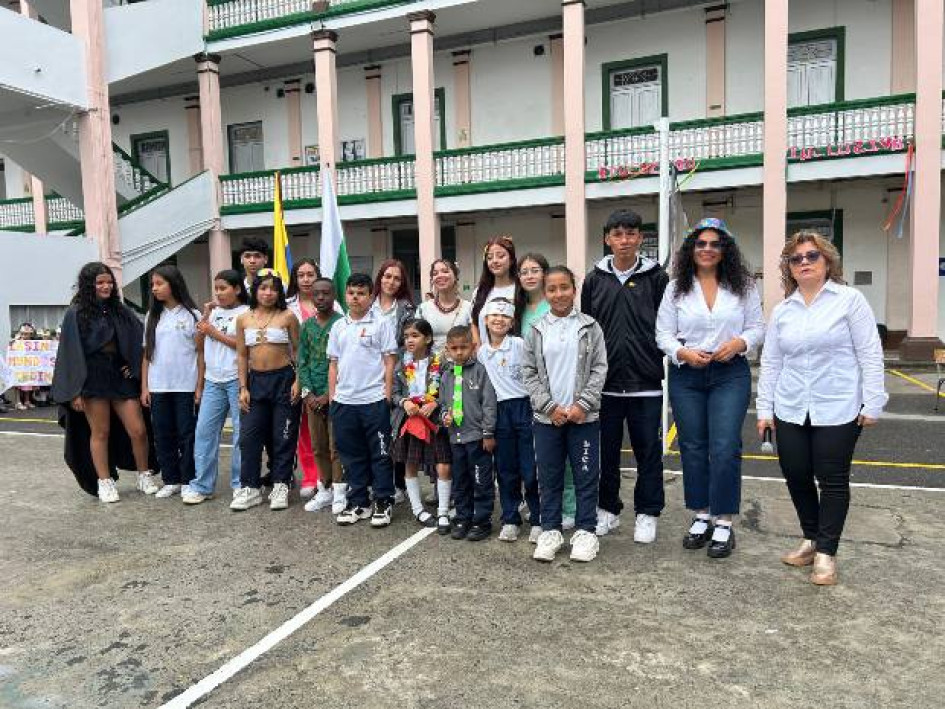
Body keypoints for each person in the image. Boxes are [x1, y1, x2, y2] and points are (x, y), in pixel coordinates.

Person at [757, 232, 887, 586]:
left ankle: (827, 552)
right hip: (791, 405)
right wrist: (764, 409)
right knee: (796, 473)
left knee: (831, 479)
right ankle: (811, 539)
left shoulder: (849, 300)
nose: (804, 263)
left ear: (827, 261)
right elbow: (771, 363)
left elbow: (870, 353)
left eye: (811, 256)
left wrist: (874, 400)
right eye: (796, 258)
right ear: (789, 268)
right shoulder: (783, 310)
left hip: (839, 405)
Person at [656, 218, 765, 558]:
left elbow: (758, 327)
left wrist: (740, 344)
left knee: (724, 446)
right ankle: (701, 515)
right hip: (688, 374)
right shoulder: (676, 288)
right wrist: (682, 352)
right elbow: (662, 334)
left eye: (714, 244)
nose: (707, 249)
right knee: (692, 446)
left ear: (725, 250)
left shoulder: (743, 286)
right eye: (700, 243)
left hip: (729, 373)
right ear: (691, 249)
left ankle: (724, 521)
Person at [582, 209, 669, 542]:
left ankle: (647, 512)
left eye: (631, 234)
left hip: (645, 384)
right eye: (617, 234)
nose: (624, 240)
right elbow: (587, 329)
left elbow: (666, 326)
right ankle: (607, 509)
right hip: (604, 386)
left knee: (648, 452)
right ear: (607, 239)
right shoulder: (594, 279)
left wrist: (652, 357)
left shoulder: (657, 278)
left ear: (640, 238)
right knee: (605, 452)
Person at [51, 262, 159, 502]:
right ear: (89, 284)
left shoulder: (119, 309)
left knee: (138, 429)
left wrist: (131, 365)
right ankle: (105, 482)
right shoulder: (76, 312)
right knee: (101, 432)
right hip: (91, 377)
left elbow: (137, 338)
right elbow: (69, 352)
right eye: (100, 282)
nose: (106, 286)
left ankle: (144, 475)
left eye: (109, 282)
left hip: (119, 376)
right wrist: (75, 392)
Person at [524, 266, 608, 563]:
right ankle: (551, 530)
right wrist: (550, 407)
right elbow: (529, 372)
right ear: (545, 293)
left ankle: (586, 531)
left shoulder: (589, 327)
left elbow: (600, 368)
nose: (559, 294)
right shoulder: (536, 329)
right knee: (549, 476)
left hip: (583, 417)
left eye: (564, 287)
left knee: (586, 475)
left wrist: (582, 405)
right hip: (549, 419)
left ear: (575, 289)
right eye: (552, 289)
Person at [327, 273, 399, 527]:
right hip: (344, 402)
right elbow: (333, 364)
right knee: (351, 455)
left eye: (361, 293)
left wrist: (387, 395)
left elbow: (390, 361)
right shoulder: (339, 326)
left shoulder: (381, 324)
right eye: (351, 293)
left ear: (370, 296)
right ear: (345, 295)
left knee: (379, 454)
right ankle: (359, 502)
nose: (355, 298)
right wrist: (333, 397)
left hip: (373, 400)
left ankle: (383, 501)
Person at [231, 269, 302, 512]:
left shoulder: (288, 316)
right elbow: (241, 354)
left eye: (273, 288)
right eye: (263, 288)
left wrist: (298, 381)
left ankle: (281, 483)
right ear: (255, 290)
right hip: (255, 382)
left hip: (284, 380)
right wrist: (242, 387)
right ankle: (249, 487)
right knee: (249, 437)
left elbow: (299, 350)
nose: (268, 293)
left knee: (282, 436)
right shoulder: (243, 319)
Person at [518, 252, 576, 529]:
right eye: (524, 271)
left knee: (566, 457)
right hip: (532, 391)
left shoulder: (555, 307)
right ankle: (540, 505)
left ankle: (570, 507)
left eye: (534, 270)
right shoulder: (519, 308)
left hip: (563, 391)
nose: (529, 276)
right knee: (543, 456)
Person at [183, 270, 249, 505]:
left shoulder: (246, 313)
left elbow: (243, 347)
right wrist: (206, 316)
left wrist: (214, 333)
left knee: (241, 436)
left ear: (237, 289)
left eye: (224, 288)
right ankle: (202, 485)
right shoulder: (213, 312)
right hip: (213, 380)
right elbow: (199, 345)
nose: (219, 293)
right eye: (217, 288)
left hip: (236, 378)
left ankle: (241, 485)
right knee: (204, 433)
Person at [478, 298, 539, 543]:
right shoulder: (482, 352)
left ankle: (538, 518)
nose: (498, 320)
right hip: (499, 411)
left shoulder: (519, 344)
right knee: (505, 469)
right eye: (494, 315)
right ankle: (511, 517)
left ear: (512, 321)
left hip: (524, 407)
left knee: (531, 468)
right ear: (486, 320)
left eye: (504, 317)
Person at [141, 265, 202, 499]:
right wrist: (145, 387)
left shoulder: (192, 315)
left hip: (185, 385)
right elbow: (147, 354)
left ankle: (188, 479)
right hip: (158, 386)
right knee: (162, 433)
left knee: (187, 433)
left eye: (159, 284)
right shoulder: (152, 316)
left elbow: (200, 352)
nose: (155, 289)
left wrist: (199, 386)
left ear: (173, 284)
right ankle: (171, 479)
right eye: (153, 285)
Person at [391, 318, 452, 533]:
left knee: (443, 463)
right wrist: (404, 402)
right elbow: (394, 393)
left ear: (427, 338)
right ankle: (418, 509)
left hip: (434, 421)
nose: (410, 340)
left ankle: (443, 510)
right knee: (410, 463)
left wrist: (435, 402)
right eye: (407, 336)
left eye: (415, 336)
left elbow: (451, 388)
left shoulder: (441, 362)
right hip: (411, 420)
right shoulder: (402, 364)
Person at [439, 325, 497, 541]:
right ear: (447, 350)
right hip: (456, 438)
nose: (459, 352)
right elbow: (443, 403)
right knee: (461, 480)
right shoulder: (446, 375)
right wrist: (444, 415)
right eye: (454, 348)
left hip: (477, 438)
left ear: (473, 347)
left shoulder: (480, 372)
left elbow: (489, 404)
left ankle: (482, 520)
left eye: (464, 347)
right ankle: (463, 517)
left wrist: (488, 433)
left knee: (481, 479)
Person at [298, 278, 346, 515]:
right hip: (312, 397)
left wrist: (329, 395)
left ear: (334, 294)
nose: (320, 298)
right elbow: (302, 361)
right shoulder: (306, 326)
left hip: (336, 395)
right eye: (316, 294)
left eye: (325, 294)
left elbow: (344, 363)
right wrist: (307, 394)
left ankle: (339, 490)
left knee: (335, 445)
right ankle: (323, 489)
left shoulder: (342, 324)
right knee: (318, 445)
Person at [287, 257, 322, 498]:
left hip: (322, 374)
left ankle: (327, 474)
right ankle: (310, 475)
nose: (306, 279)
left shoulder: (331, 304)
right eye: (301, 275)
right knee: (302, 428)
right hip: (293, 372)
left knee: (322, 426)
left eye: (311, 274)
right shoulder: (287, 307)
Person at [471, 236, 524, 346]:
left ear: (512, 260)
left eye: (501, 256)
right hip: (485, 358)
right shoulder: (479, 292)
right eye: (489, 258)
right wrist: (478, 349)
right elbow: (474, 323)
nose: (494, 261)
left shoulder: (521, 290)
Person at [415, 259, 473, 355]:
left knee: (457, 370)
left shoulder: (468, 308)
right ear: (432, 280)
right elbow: (417, 341)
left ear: (455, 276)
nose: (440, 275)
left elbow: (474, 341)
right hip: (433, 365)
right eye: (435, 273)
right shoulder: (423, 309)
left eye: (445, 271)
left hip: (459, 365)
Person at [371, 258, 416, 345]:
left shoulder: (407, 310)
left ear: (401, 283)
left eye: (397, 279)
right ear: (381, 278)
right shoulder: (366, 305)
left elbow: (409, 344)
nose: (391, 282)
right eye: (388, 276)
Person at [13, 322, 38, 409]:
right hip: (18, 366)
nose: (25, 336)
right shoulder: (16, 342)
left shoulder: (33, 343)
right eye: (23, 334)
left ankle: (27, 401)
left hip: (28, 366)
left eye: (27, 334)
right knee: (18, 384)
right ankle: (18, 402)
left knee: (28, 383)